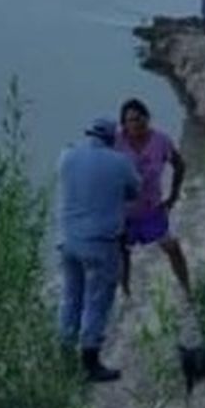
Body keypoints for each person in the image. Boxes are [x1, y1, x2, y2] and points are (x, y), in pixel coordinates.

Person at [57, 117, 141, 383]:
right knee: (97, 300)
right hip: (100, 244)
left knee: (71, 297)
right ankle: (90, 362)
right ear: (112, 138)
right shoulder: (120, 162)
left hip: (68, 241)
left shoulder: (67, 156)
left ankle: (63, 357)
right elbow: (134, 191)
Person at [115, 98, 191, 299]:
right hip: (124, 212)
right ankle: (126, 292)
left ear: (147, 118)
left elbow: (180, 165)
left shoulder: (160, 141)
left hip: (152, 210)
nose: (136, 124)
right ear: (123, 124)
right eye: (130, 120)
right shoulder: (116, 143)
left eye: (139, 118)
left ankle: (187, 289)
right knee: (123, 254)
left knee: (173, 248)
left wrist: (173, 195)